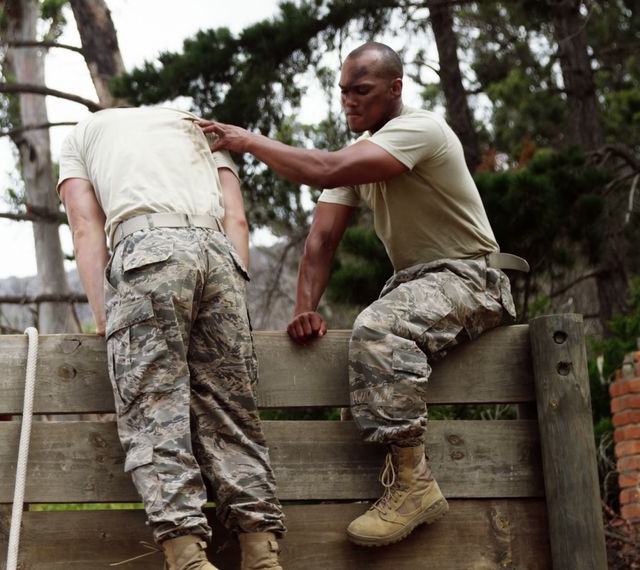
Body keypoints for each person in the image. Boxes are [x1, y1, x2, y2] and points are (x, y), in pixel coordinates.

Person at [198, 42, 525, 547]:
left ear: (395, 89)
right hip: (419, 283)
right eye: (344, 92)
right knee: (366, 346)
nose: (349, 102)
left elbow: (325, 169)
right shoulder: (360, 155)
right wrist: (304, 308)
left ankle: (414, 485)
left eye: (363, 92)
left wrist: (247, 141)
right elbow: (321, 241)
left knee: (379, 328)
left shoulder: (419, 130)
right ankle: (389, 482)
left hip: (471, 278)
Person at [58, 106, 286, 570]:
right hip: (219, 257)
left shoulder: (81, 136)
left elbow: (85, 226)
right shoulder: (195, 123)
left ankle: (187, 559)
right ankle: (262, 555)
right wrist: (233, 301)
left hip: (147, 252)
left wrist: (105, 314)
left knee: (154, 414)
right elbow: (236, 219)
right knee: (231, 414)